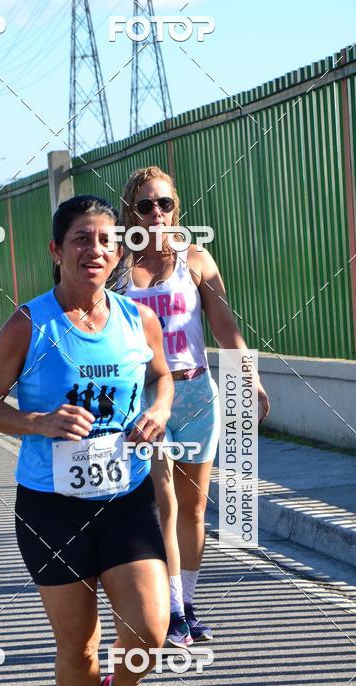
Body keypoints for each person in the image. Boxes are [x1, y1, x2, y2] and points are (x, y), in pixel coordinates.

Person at [0, 195, 174, 686]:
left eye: (107, 239)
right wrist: (39, 423)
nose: (96, 249)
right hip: (51, 507)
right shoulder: (28, 324)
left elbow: (161, 377)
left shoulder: (139, 320)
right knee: (78, 641)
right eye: (82, 239)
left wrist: (159, 411)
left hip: (124, 495)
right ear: (57, 251)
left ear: (119, 251)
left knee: (151, 629)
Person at [114, 166, 270, 647]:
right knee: (165, 502)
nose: (156, 213)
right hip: (146, 398)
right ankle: (173, 611)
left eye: (164, 204)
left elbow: (226, 329)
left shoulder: (196, 261)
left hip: (198, 394)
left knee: (195, 508)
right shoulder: (119, 269)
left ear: (175, 207)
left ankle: (188, 600)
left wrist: (253, 380)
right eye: (145, 205)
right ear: (131, 212)